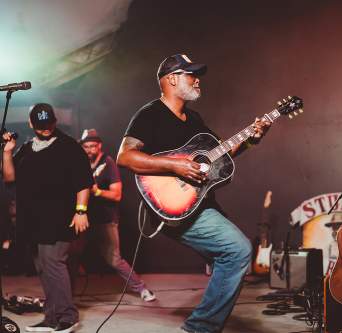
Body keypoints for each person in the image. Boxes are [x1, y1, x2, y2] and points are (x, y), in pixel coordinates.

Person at [117, 54, 271, 333]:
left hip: (198, 203)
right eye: (190, 74)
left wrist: (251, 139)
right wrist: (175, 164)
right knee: (237, 251)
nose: (197, 79)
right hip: (171, 205)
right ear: (171, 79)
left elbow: (223, 154)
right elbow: (125, 157)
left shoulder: (194, 118)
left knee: (229, 256)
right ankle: (199, 328)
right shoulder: (150, 114)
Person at [2, 103, 93, 333]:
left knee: (53, 264)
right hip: (32, 221)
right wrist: (7, 151)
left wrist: (81, 211)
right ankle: (51, 317)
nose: (45, 129)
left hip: (59, 219)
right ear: (31, 124)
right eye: (40, 125)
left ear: (55, 121)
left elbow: (84, 182)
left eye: (49, 124)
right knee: (42, 267)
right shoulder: (28, 147)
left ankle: (67, 316)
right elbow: (10, 178)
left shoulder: (69, 146)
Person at [71, 129, 155, 301]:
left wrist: (97, 192)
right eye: (86, 146)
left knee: (114, 260)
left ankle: (143, 289)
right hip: (84, 219)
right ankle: (65, 295)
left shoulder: (108, 163)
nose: (89, 150)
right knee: (70, 255)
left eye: (92, 146)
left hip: (105, 219)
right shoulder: (81, 164)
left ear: (99, 145)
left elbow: (117, 195)